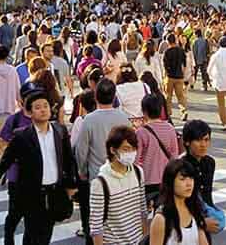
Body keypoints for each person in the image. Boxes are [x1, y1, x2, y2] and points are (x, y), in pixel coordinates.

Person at [0, 90, 80, 245]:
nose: (43, 110)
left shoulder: (60, 132)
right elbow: (5, 162)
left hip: (54, 192)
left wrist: (72, 186)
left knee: (45, 234)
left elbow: (69, 160)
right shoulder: (22, 136)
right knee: (34, 233)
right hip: (32, 194)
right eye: (38, 107)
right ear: (29, 112)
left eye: (45, 106)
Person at [74, 78, 133, 245]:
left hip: (96, 177)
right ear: (114, 96)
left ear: (96, 97)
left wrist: (82, 171)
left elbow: (81, 150)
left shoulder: (89, 120)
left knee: (96, 223)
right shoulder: (123, 118)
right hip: (120, 176)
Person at [89, 125, 147, 245]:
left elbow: (142, 211)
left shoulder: (138, 172)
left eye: (133, 149)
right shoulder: (100, 183)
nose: (131, 153)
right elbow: (96, 227)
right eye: (126, 149)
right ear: (112, 150)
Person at [148, 159, 209, 245]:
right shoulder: (161, 218)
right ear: (170, 182)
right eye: (182, 179)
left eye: (191, 178)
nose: (189, 184)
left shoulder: (194, 209)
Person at [137, 94, 180, 208]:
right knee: (164, 211)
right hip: (166, 179)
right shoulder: (170, 129)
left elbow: (136, 159)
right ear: (161, 109)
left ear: (144, 111)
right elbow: (174, 156)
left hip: (148, 179)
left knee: (148, 213)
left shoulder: (141, 132)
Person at [180, 119, 220, 234]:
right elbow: (177, 203)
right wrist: (200, 222)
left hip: (205, 218)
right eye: (198, 140)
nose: (203, 145)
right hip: (185, 225)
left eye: (206, 140)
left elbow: (207, 194)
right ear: (187, 142)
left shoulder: (209, 162)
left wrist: (213, 212)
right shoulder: (180, 165)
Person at [162, 35, 189, 121]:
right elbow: (184, 64)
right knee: (180, 96)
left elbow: (165, 66)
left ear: (168, 42)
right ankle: (184, 110)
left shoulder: (167, 52)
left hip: (170, 76)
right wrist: (183, 73)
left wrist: (164, 76)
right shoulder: (181, 50)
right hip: (179, 76)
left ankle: (169, 113)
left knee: (168, 96)